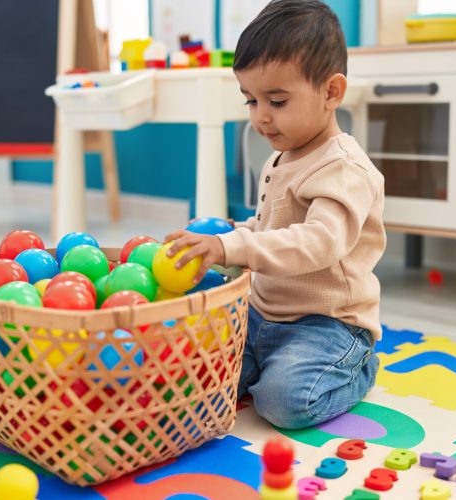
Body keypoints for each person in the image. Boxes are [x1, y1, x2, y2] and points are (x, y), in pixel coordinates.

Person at [163, 0, 385, 428]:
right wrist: (230, 233)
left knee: (284, 403)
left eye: (277, 101)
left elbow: (317, 242)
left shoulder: (344, 168)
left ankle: (358, 367)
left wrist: (233, 246)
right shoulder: (283, 155)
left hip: (327, 325)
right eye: (250, 100)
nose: (261, 117)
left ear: (331, 92)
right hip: (261, 313)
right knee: (199, 378)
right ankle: (267, 365)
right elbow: (272, 228)